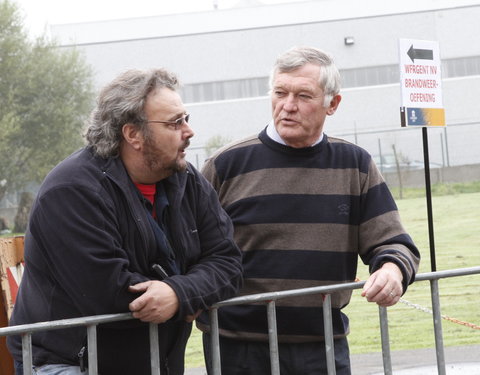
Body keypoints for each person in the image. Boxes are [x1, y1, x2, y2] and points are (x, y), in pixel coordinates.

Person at [197, 46, 420, 375]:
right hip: (237, 348)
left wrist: (391, 270)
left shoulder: (354, 165)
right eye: (280, 93)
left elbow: (393, 241)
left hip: (322, 347)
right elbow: (189, 248)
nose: (288, 106)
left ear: (333, 104)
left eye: (303, 95)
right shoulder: (226, 165)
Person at [7, 68, 243, 375]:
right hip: (71, 364)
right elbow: (111, 295)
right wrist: (190, 293)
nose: (188, 131)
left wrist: (178, 294)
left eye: (186, 118)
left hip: (156, 361)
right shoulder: (71, 191)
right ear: (133, 134)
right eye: (175, 123)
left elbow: (228, 263)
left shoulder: (187, 180)